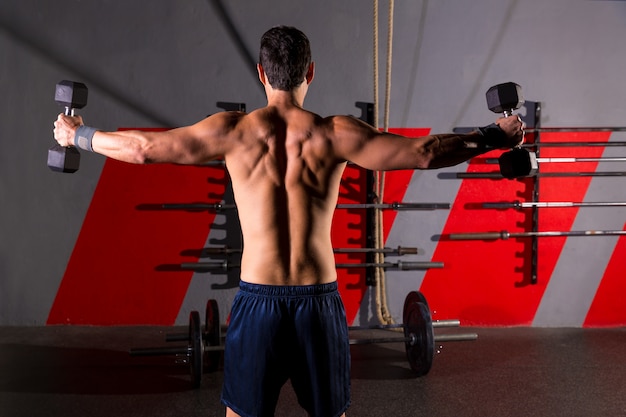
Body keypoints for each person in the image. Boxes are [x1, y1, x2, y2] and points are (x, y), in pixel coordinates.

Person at [53, 25, 524, 417]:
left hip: (257, 303)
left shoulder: (232, 132)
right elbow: (423, 153)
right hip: (317, 304)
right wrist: (493, 135)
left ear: (261, 74)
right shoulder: (335, 134)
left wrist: (79, 135)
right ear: (310, 73)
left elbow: (142, 149)